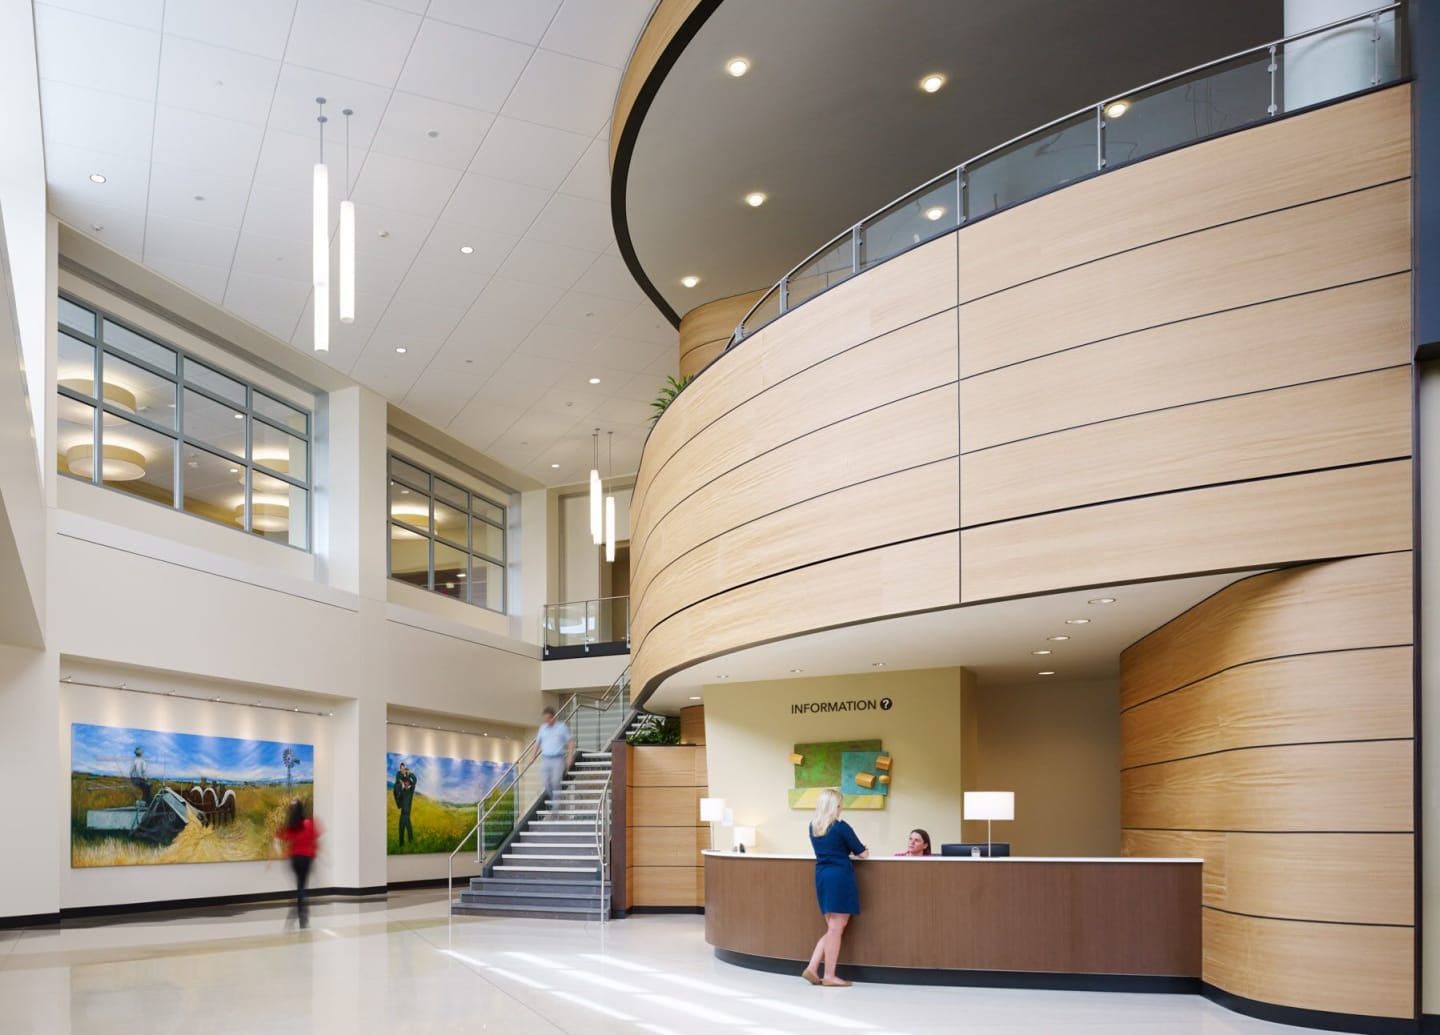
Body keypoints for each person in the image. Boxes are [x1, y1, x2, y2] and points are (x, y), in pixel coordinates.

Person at [803, 788, 867, 987]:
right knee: (836, 929)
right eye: (839, 805)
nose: (841, 808)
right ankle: (829, 975)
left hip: (822, 876)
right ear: (834, 807)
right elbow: (863, 853)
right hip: (839, 877)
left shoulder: (813, 826)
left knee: (832, 927)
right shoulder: (841, 827)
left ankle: (813, 967)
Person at [275, 799, 320, 928]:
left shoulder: (292, 825)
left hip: (294, 859)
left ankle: (298, 911)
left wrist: (281, 853)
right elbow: (315, 841)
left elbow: (280, 837)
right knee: (302, 886)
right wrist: (315, 853)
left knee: (299, 886)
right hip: (306, 859)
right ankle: (302, 914)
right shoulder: (309, 824)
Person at [536, 706, 572, 807]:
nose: (546, 721)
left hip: (558, 759)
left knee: (556, 781)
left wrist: (570, 756)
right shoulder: (542, 728)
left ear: (553, 717)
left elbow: (570, 741)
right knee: (545, 782)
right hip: (545, 759)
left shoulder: (561, 727)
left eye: (548, 719)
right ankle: (554, 799)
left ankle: (556, 805)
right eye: (545, 719)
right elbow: (537, 743)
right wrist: (533, 756)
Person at [392, 761, 417, 848]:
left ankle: (411, 843)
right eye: (405, 782)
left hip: (407, 814)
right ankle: (401, 845)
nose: (406, 783)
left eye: (407, 782)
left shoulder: (411, 791)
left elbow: (415, 780)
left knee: (409, 830)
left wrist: (409, 774)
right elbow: (399, 800)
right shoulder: (402, 791)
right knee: (401, 829)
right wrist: (398, 798)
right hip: (402, 814)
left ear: (409, 784)